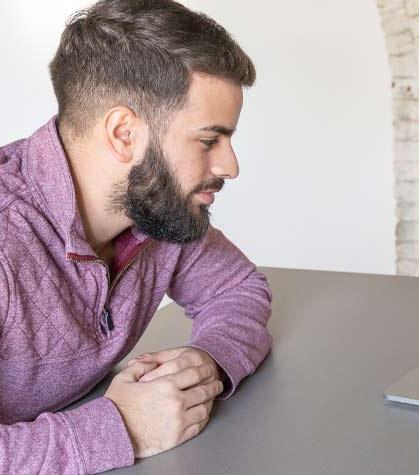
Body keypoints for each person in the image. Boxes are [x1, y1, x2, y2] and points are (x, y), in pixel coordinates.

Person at [0, 1, 272, 473]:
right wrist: (120, 427)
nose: (230, 166)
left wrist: (206, 363)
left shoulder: (155, 207)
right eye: (209, 140)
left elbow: (238, 288)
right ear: (125, 133)